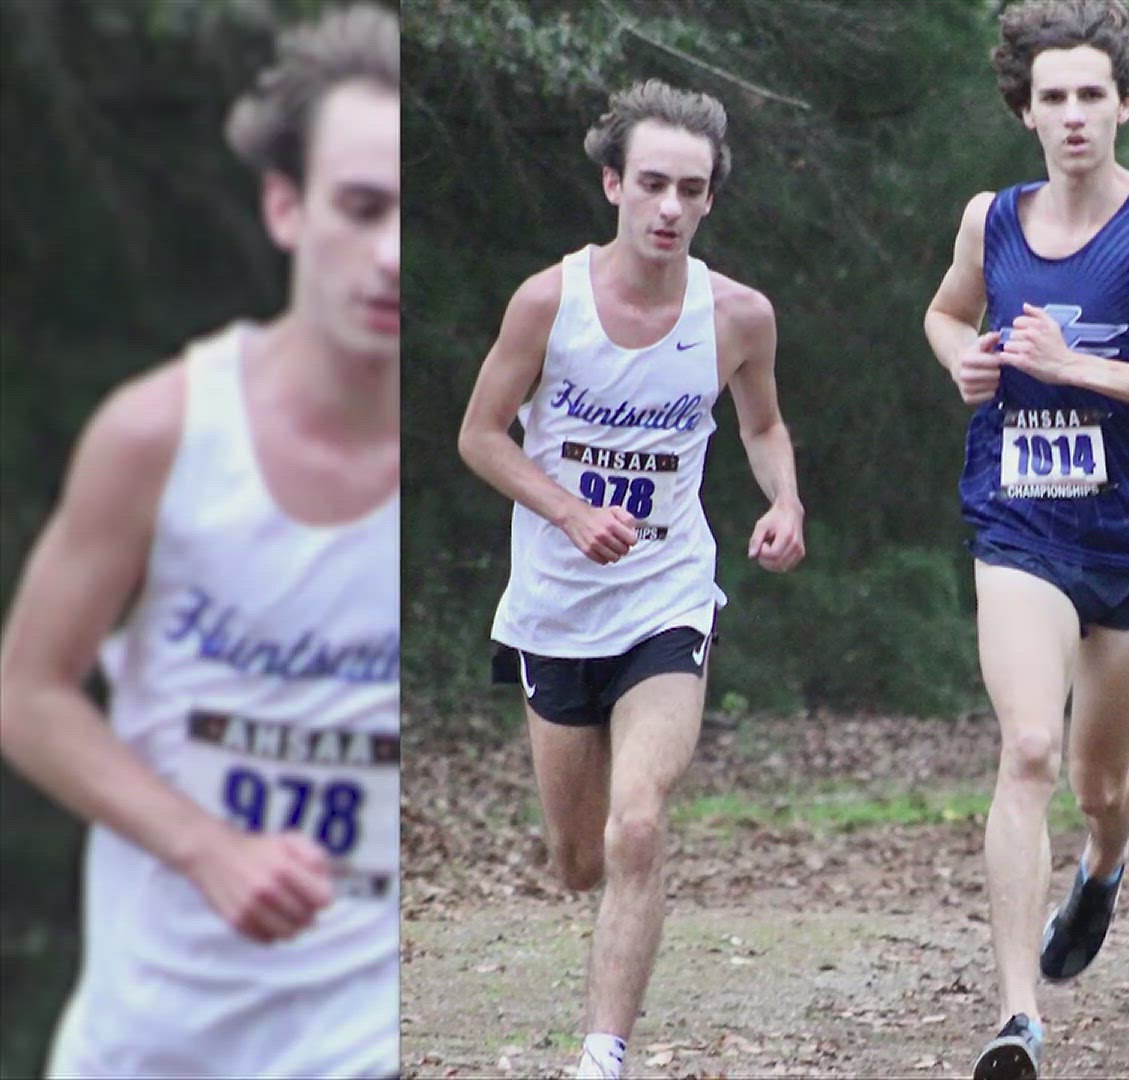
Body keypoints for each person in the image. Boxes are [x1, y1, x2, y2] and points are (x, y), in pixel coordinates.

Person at [0, 6, 401, 1076]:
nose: (395, 252)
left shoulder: (478, 452)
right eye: (362, 208)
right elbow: (28, 694)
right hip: (158, 1032)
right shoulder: (158, 434)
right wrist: (207, 847)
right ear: (286, 206)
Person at [921, 2, 1129, 1076]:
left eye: (1091, 97)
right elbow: (945, 313)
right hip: (1020, 526)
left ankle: (1106, 857)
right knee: (1026, 750)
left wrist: (1077, 368)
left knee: (1098, 780)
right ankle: (1018, 1018)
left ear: (1127, 104)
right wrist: (965, 360)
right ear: (1025, 110)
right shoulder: (992, 220)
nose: (1072, 117)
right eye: (1052, 97)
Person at [456, 78, 804, 1080]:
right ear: (612, 183)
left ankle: (601, 1056)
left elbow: (764, 424)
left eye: (689, 189)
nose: (668, 208)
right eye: (650, 183)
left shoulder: (736, 315)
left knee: (640, 820)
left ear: (708, 200)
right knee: (580, 861)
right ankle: (610, 905)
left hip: (667, 596)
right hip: (554, 610)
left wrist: (783, 502)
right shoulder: (547, 303)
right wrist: (566, 509)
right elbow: (479, 434)